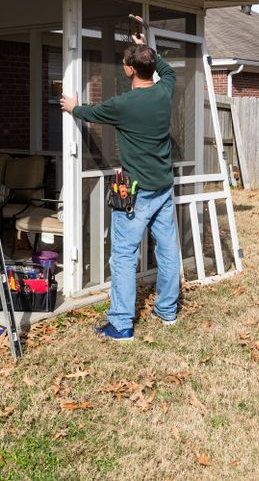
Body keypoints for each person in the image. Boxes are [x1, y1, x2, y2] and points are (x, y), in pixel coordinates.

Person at [60, 32, 180, 341]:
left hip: (136, 192)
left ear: (128, 68)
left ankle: (122, 325)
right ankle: (166, 311)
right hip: (164, 188)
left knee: (124, 256)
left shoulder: (123, 104)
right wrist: (148, 49)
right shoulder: (164, 91)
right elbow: (168, 71)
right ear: (149, 67)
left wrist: (72, 106)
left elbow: (90, 112)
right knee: (167, 251)